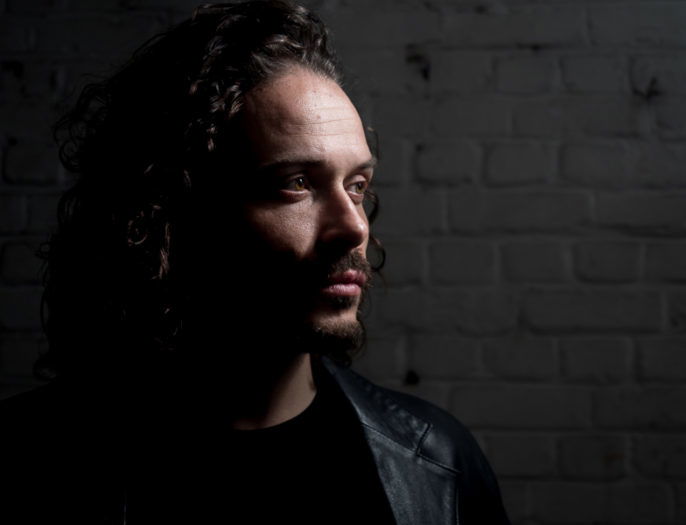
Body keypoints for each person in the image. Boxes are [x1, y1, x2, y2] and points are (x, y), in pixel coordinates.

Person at [0, 1, 510, 523]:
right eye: (296, 184)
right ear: (172, 212)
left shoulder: (437, 463)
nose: (354, 227)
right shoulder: (26, 466)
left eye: (357, 186)